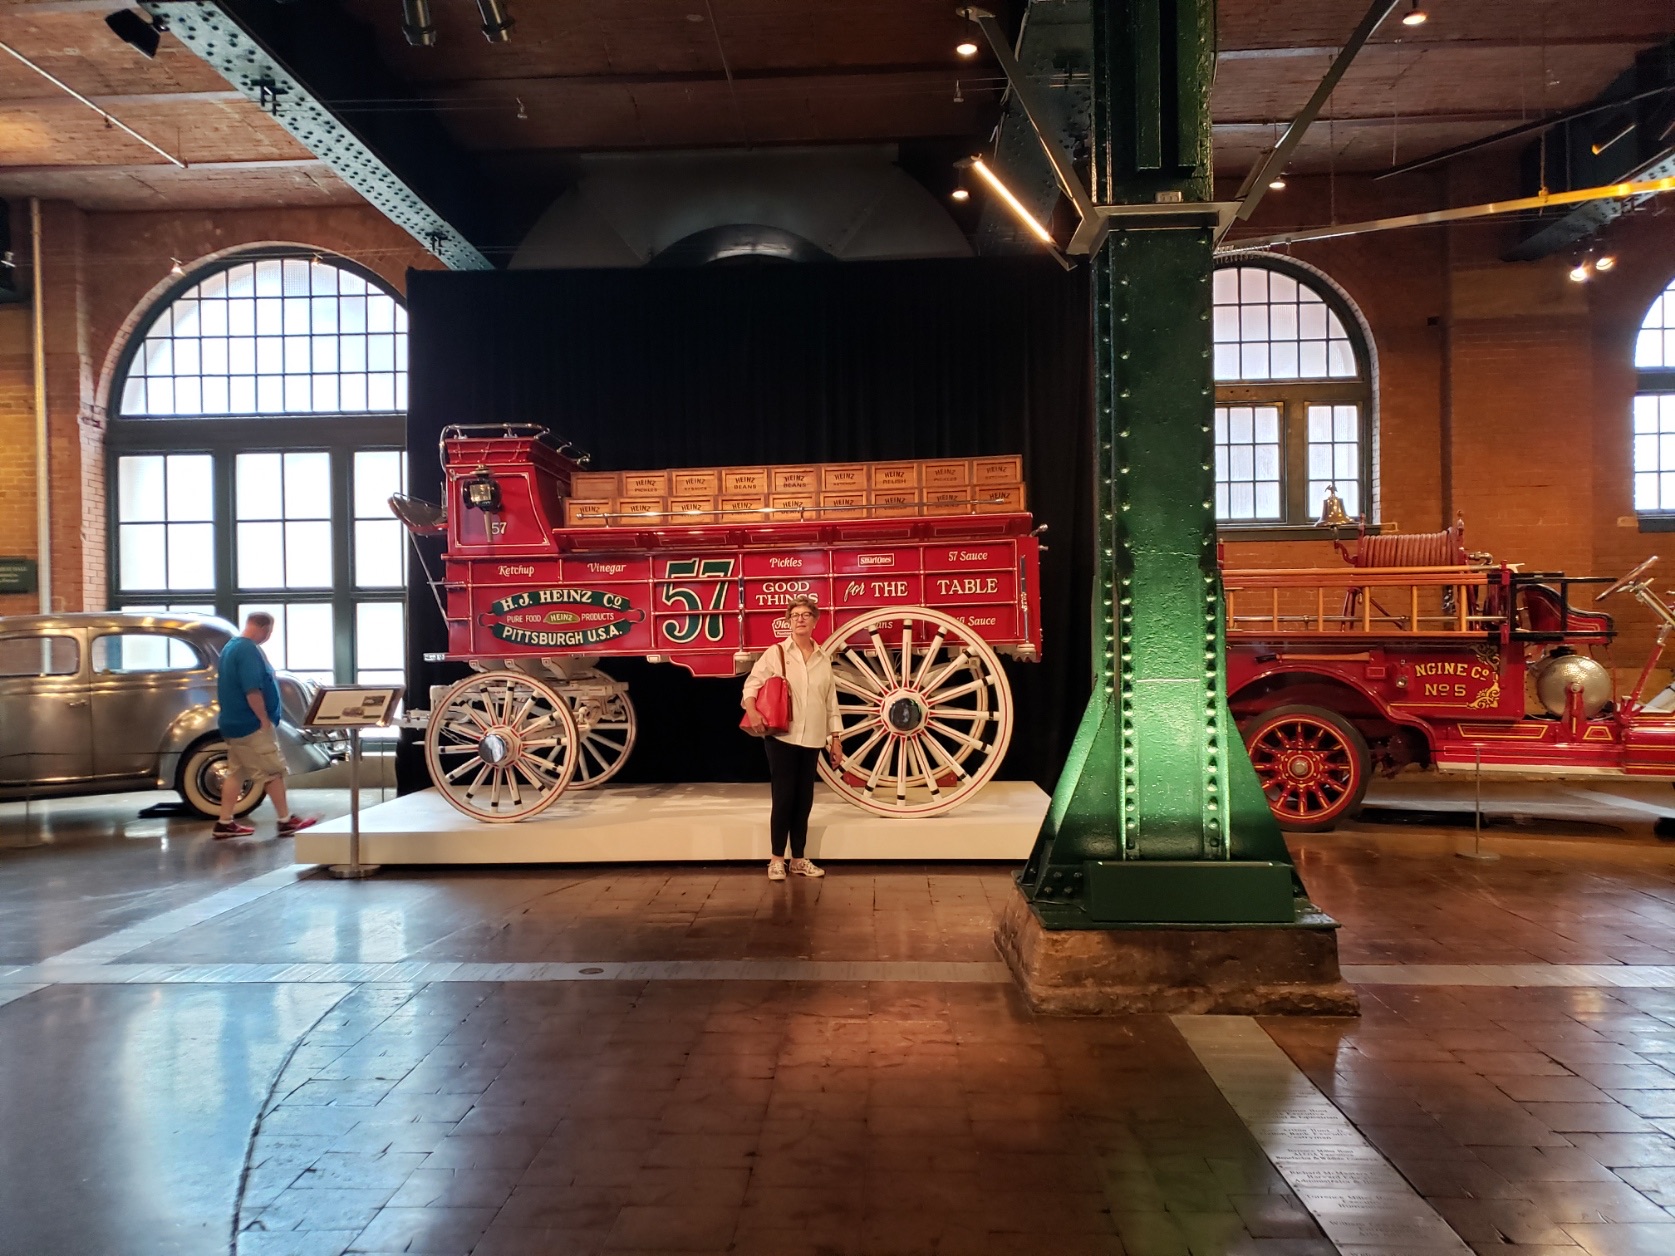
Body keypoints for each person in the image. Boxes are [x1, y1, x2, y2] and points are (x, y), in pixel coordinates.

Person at [741, 594, 842, 881]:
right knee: (783, 798)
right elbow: (751, 685)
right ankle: (776, 859)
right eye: (795, 615)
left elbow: (830, 702)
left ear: (815, 621)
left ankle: (798, 858)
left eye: (805, 615)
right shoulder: (776, 653)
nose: (800, 619)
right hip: (783, 736)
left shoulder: (823, 659)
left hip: (813, 738)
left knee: (804, 800)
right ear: (788, 621)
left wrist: (835, 739)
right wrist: (753, 711)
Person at [212, 612, 318, 839]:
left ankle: (224, 822)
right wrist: (263, 719)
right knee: (272, 771)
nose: (268, 636)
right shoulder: (247, 650)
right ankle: (285, 820)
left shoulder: (230, 647)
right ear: (264, 628)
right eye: (269, 632)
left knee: (236, 773)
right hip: (250, 725)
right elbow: (252, 689)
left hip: (232, 723)